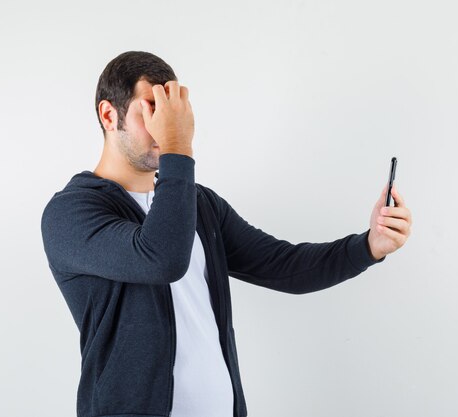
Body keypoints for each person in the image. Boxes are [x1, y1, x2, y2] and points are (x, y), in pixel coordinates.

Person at [40, 51, 413, 417]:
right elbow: (162, 258)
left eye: (173, 115)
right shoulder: (71, 213)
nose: (163, 127)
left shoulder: (197, 204)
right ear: (109, 115)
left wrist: (369, 246)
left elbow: (285, 267)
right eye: (151, 109)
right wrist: (178, 148)